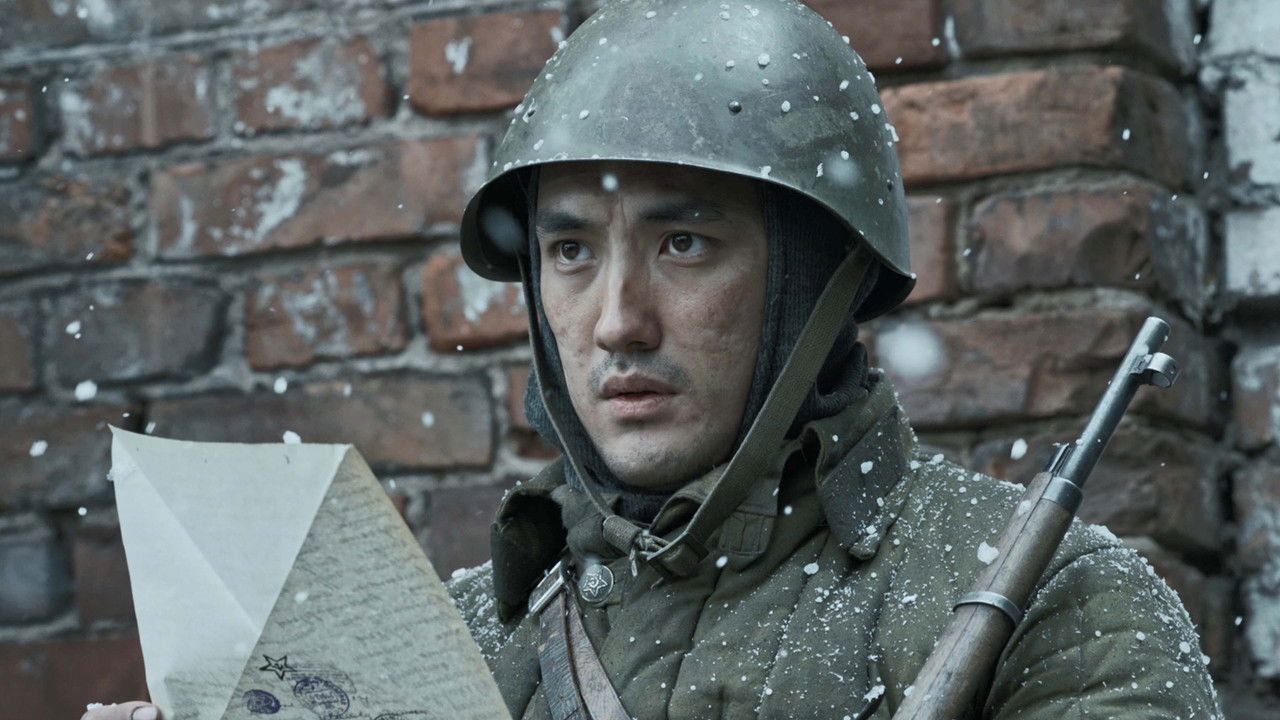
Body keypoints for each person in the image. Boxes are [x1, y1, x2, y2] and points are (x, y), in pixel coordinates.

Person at [85, 1, 1221, 719]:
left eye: (685, 244)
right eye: (570, 251)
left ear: (815, 282)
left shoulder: (1054, 602)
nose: (615, 321)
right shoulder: (451, 652)